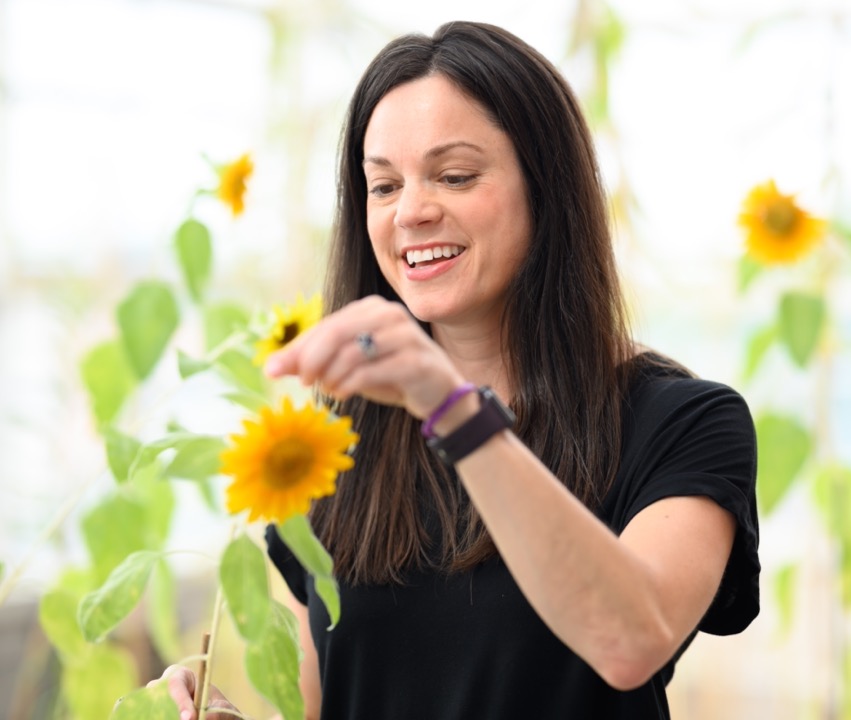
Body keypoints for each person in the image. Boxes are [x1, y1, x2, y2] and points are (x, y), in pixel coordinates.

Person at [160, 19, 759, 720]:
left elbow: (631, 641)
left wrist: (446, 402)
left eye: (455, 176)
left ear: (548, 188)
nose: (412, 211)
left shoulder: (683, 422)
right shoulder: (331, 446)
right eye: (383, 186)